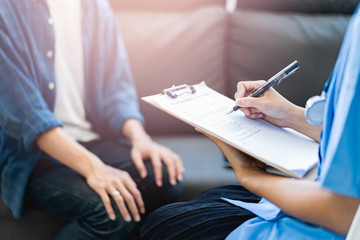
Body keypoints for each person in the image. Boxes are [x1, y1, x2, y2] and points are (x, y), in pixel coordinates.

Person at [140, 3, 360, 240]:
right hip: (318, 190)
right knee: (214, 196)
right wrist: (291, 116)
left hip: (325, 223)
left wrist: (250, 175)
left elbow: (345, 212)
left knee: (166, 225)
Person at [0, 0, 184, 239]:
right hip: (32, 156)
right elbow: (28, 114)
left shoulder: (97, 7)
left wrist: (141, 139)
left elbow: (116, 90)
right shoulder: (6, 9)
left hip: (92, 140)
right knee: (111, 212)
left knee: (165, 178)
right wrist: (94, 168)